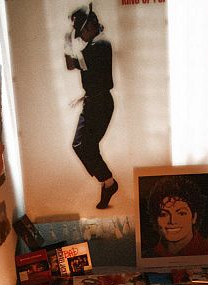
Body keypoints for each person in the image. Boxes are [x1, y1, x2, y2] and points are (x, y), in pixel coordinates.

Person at [65, 4, 118, 209]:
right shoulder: (92, 47)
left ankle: (108, 184)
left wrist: (68, 42)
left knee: (85, 146)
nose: (81, 36)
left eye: (82, 30)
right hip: (93, 101)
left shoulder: (100, 46)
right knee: (81, 145)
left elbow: (72, 64)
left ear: (92, 26)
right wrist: (85, 95)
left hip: (101, 104)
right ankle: (108, 183)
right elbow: (88, 72)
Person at [144, 175, 208, 258]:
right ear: (156, 219)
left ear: (194, 217)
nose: (172, 221)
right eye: (164, 214)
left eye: (181, 213)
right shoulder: (147, 257)